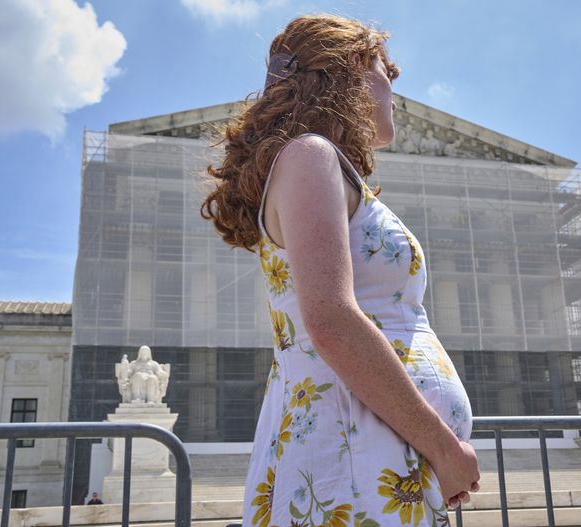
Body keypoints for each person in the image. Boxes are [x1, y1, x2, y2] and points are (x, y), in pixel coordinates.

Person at [200, 14, 480, 527]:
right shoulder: (310, 156)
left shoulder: (318, 163)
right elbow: (330, 320)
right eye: (385, 68)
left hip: (368, 451)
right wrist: (444, 447)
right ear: (352, 68)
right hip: (350, 456)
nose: (395, 84)